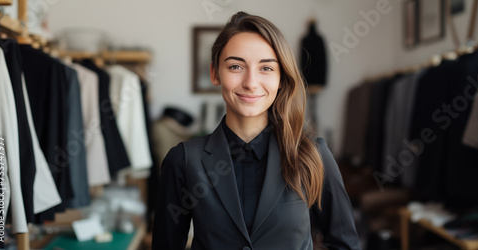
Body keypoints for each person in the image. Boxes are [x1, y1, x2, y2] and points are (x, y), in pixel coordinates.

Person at [152, 11, 360, 250]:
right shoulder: (184, 160)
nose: (251, 82)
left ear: (281, 77)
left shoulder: (313, 154)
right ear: (215, 73)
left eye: (266, 68)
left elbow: (346, 245)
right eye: (236, 66)